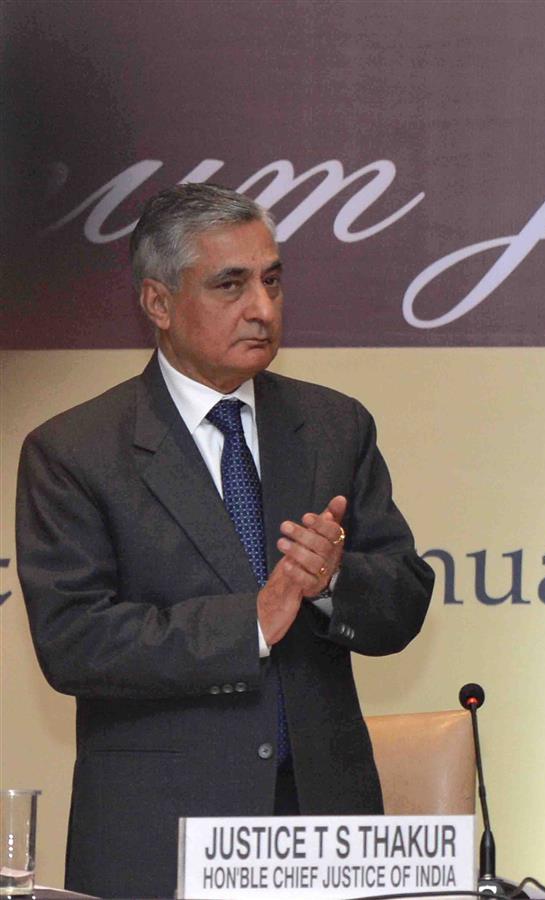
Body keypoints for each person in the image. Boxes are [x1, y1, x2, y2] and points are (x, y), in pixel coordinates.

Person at [15, 183, 435, 898]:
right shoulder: (75, 451)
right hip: (159, 834)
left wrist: (334, 581)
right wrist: (251, 623)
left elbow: (403, 597)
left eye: (272, 280)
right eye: (230, 285)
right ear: (158, 302)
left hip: (322, 828)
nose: (263, 309)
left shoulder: (336, 426)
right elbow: (74, 640)